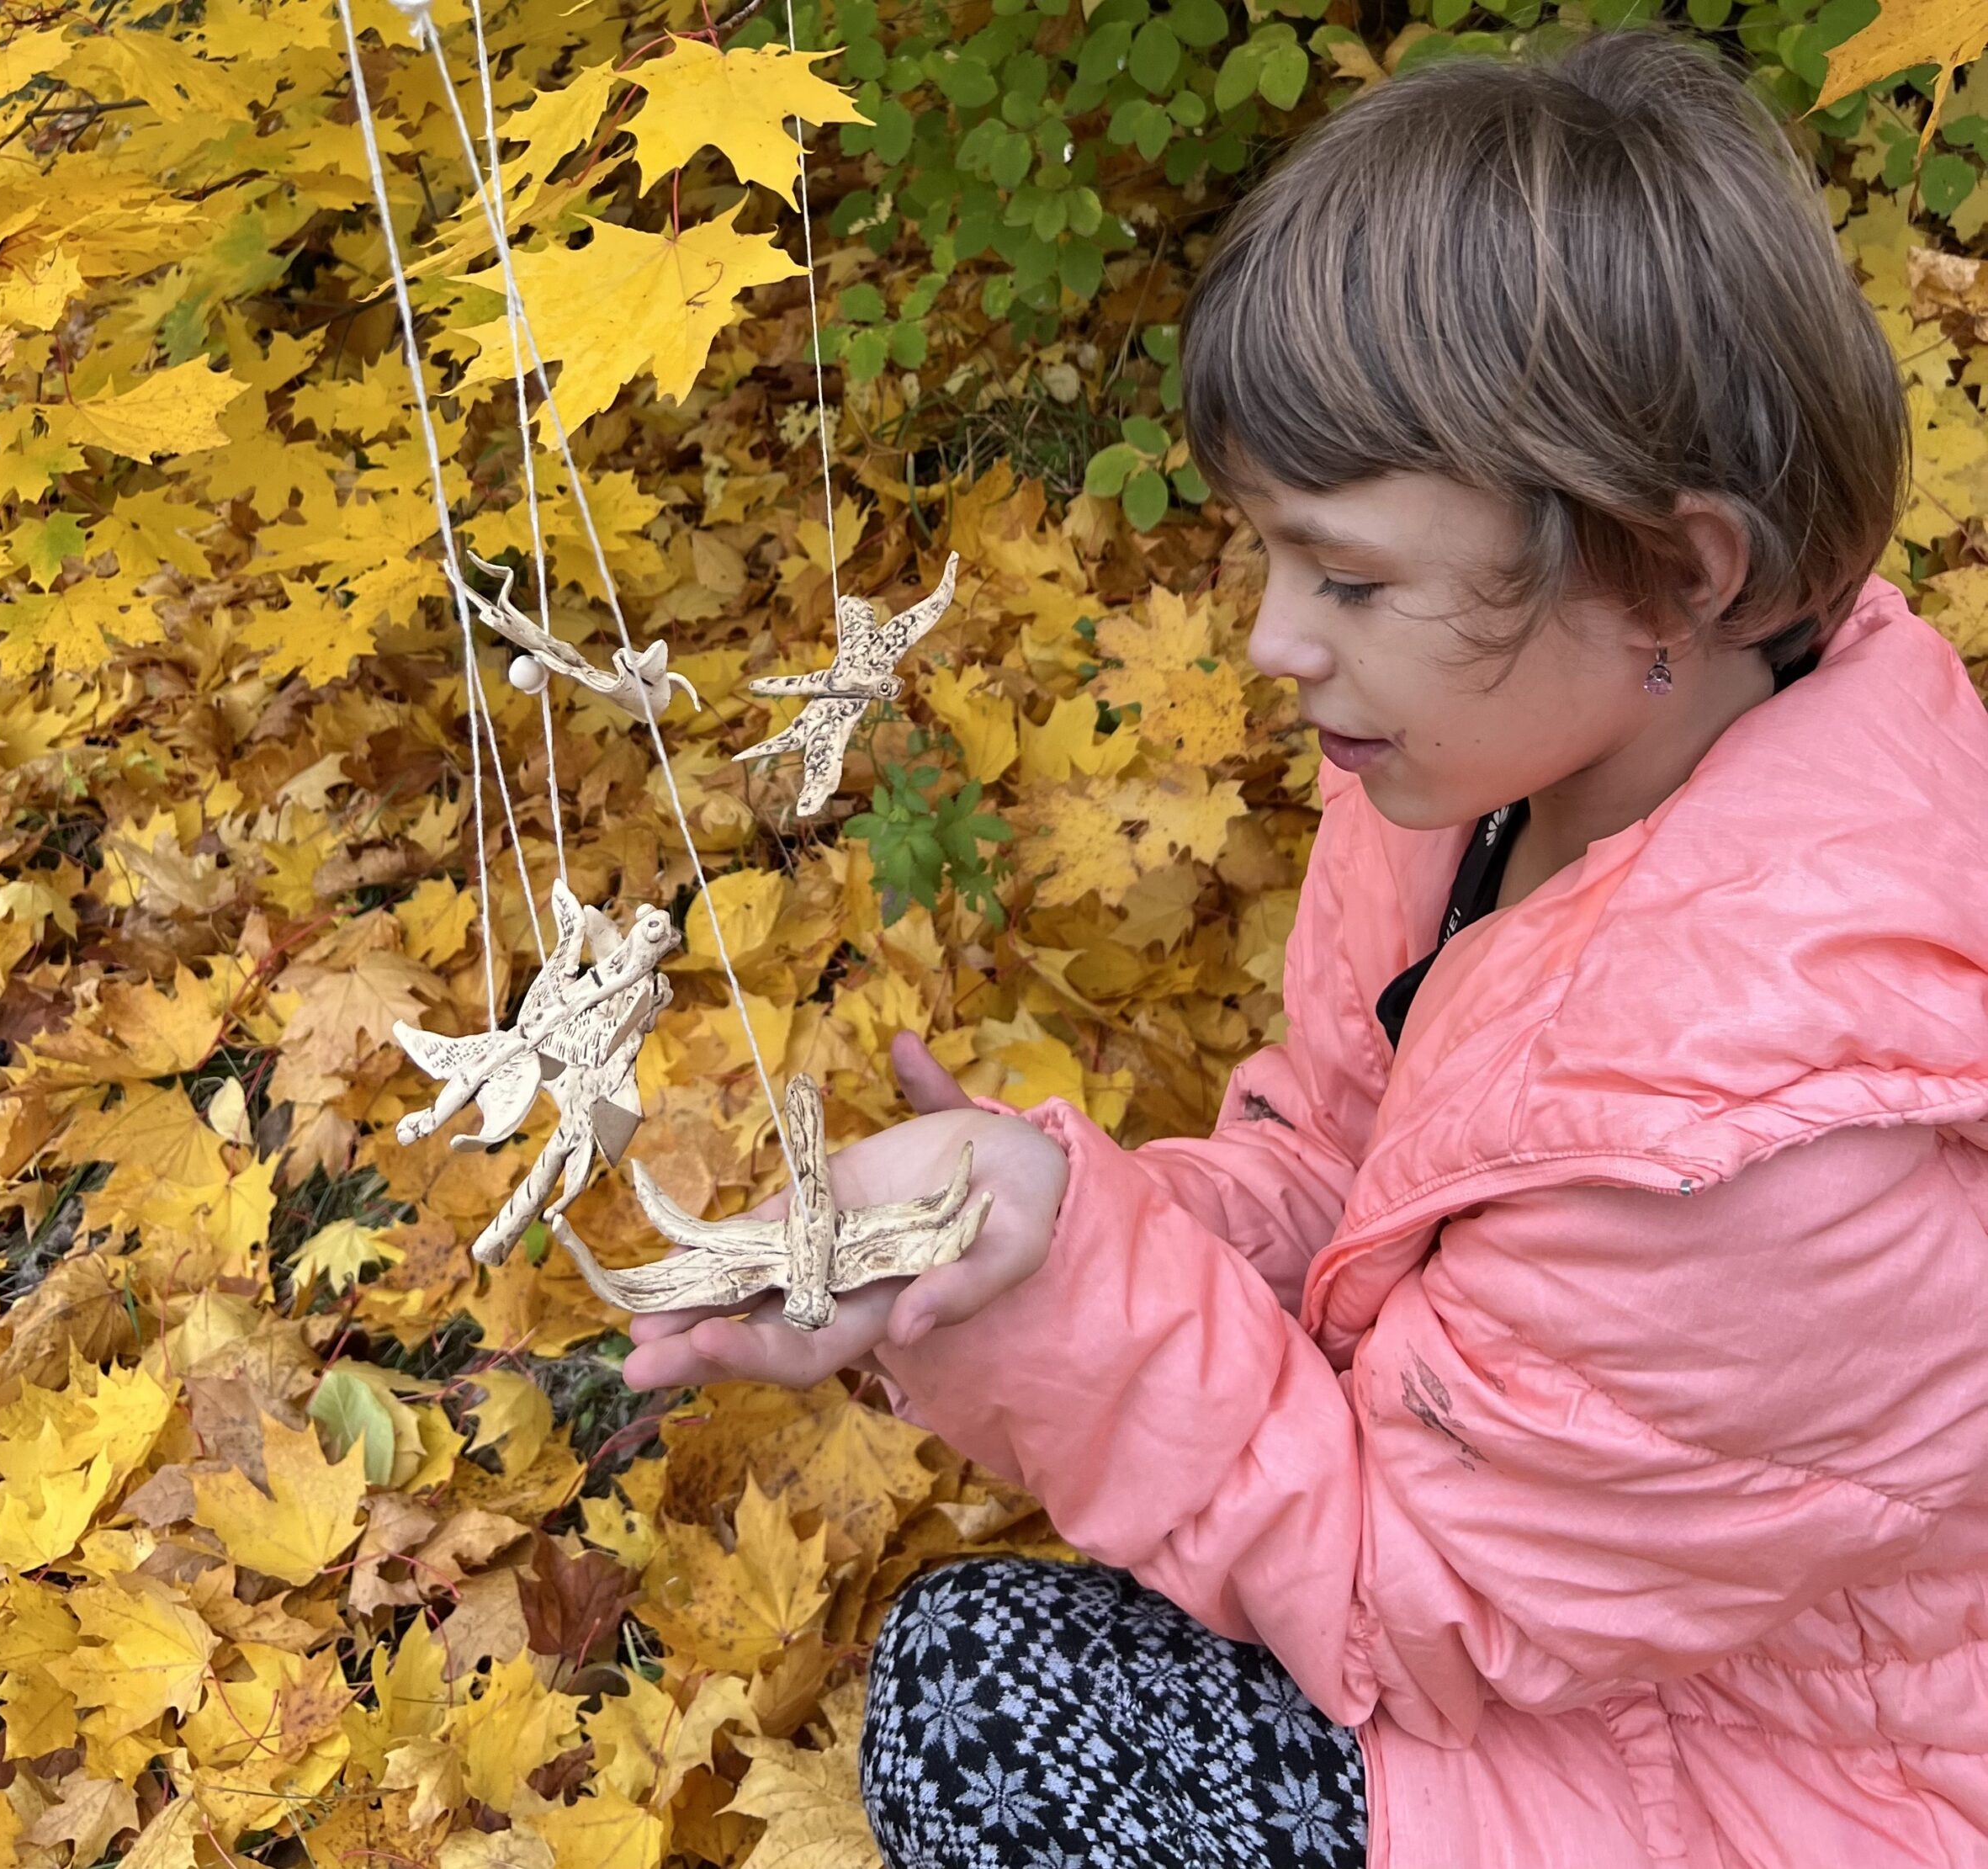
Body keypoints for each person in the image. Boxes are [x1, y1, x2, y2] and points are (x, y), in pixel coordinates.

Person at [623, 29, 1988, 1869]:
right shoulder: (1489, 776)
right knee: (976, 1682)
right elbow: (1347, 1181)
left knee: (981, 1707)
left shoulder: (1761, 1143)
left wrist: (1071, 1296)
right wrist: (1046, 1219)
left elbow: (1414, 1610)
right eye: (1269, 552)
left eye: (1347, 576)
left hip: (1792, 1781)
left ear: (1681, 574)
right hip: (1581, 1622)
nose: (1274, 638)